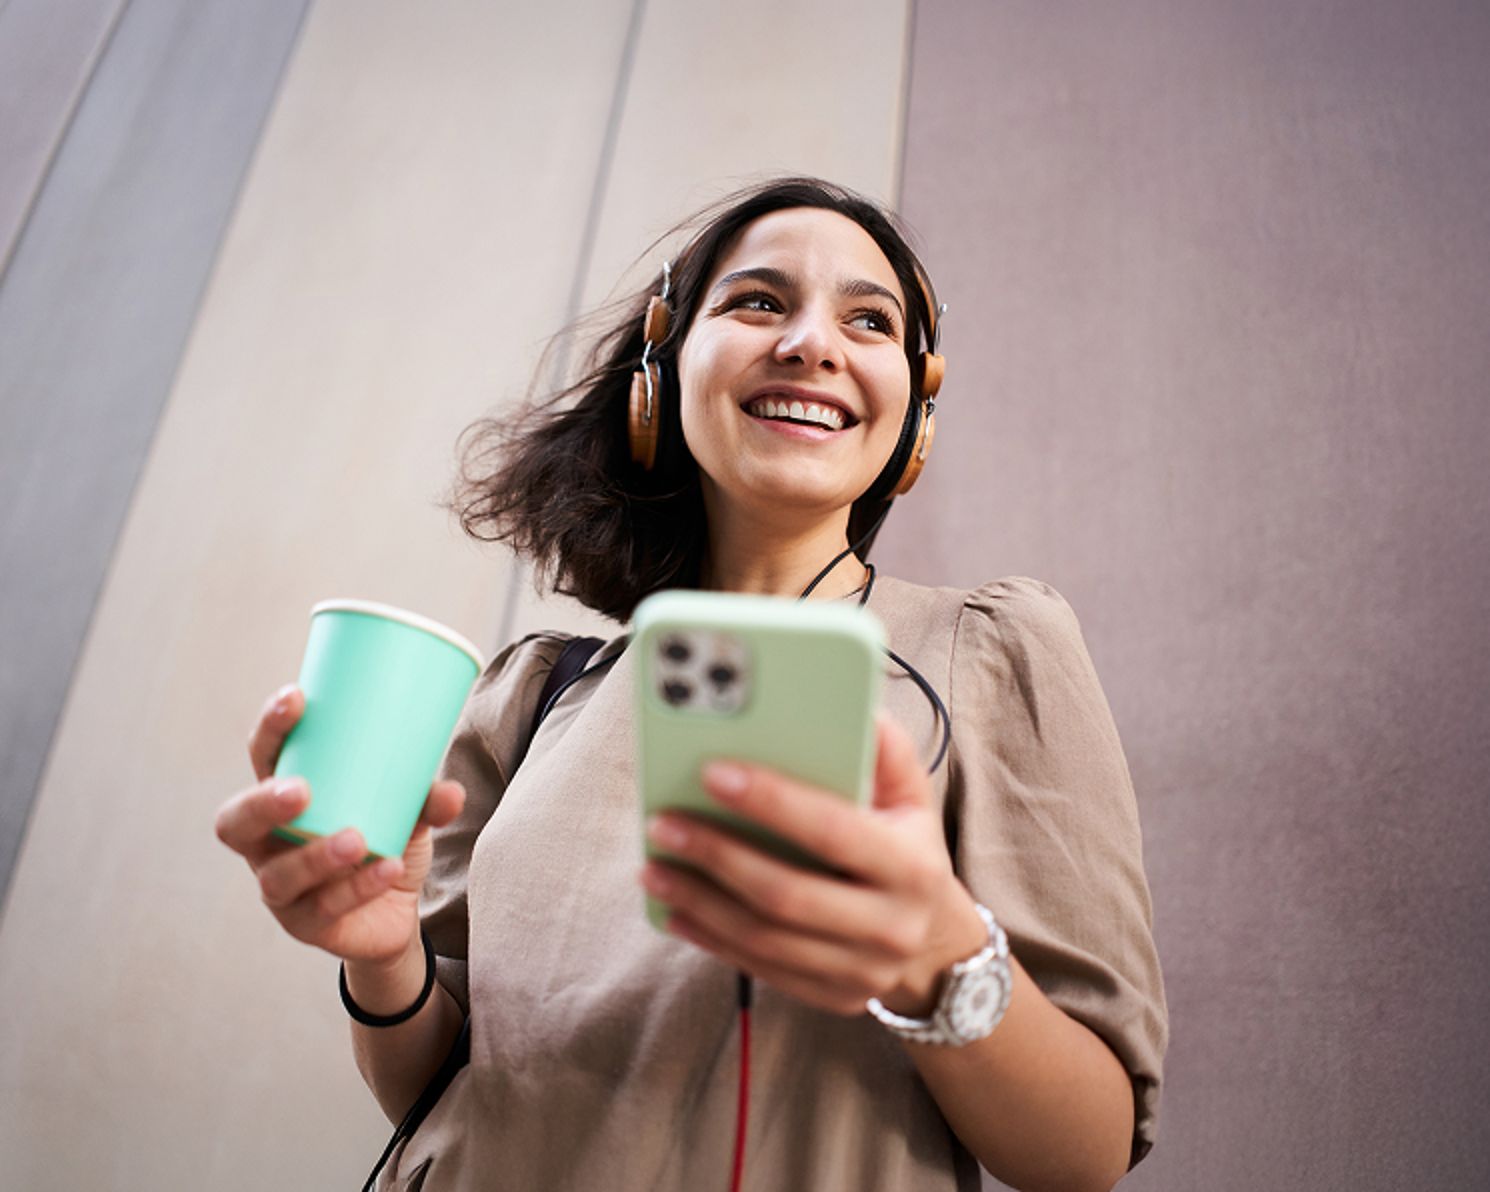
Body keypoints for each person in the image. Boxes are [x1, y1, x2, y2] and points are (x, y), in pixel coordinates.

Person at [216, 177, 1166, 1191]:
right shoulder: (533, 697)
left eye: (869, 321)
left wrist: (938, 951)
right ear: (657, 374)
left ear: (914, 410)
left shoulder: (991, 651)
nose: (812, 343)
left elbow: (1086, 1152)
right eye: (758, 301)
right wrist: (379, 953)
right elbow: (440, 1088)